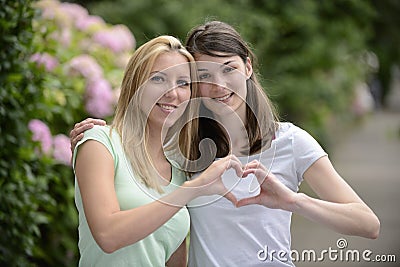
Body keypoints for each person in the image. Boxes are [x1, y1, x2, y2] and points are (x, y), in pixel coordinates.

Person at [71, 21, 380, 266]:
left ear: (248, 67)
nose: (218, 84)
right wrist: (98, 135)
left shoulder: (290, 141)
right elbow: (141, 135)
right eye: (204, 74)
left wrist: (293, 202)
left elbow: (367, 224)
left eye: (229, 68)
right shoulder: (184, 150)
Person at [71, 35, 244, 267]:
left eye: (183, 83)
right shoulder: (100, 144)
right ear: (135, 84)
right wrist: (191, 190)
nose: (173, 93)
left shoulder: (178, 169)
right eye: (158, 79)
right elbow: (108, 236)